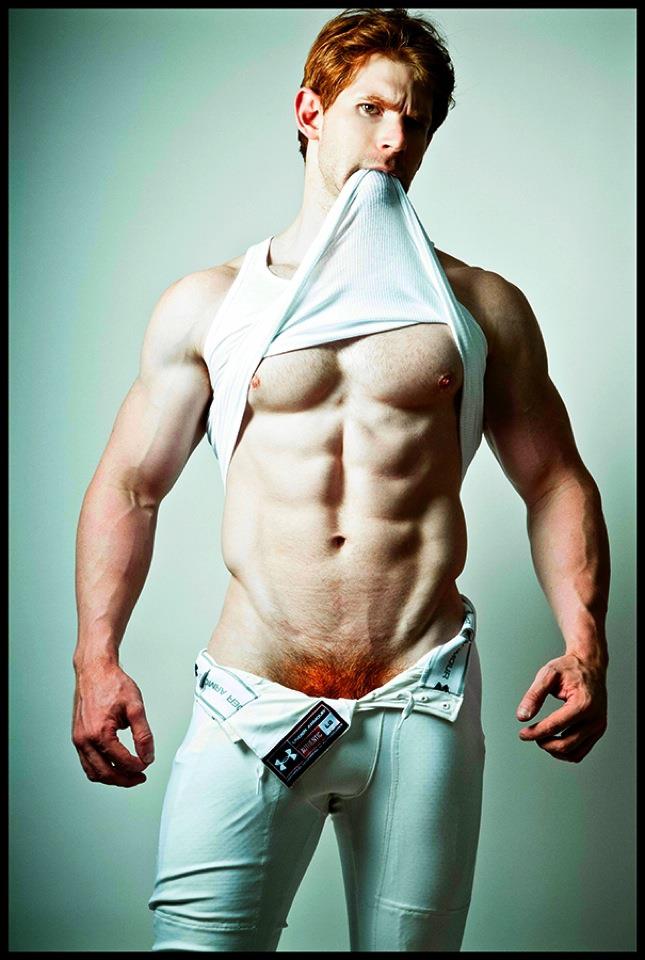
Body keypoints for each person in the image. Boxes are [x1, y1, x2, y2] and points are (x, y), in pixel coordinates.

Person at [72, 7, 610, 952]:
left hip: (421, 692)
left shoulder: (480, 308)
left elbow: (555, 480)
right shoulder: (211, 305)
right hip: (254, 696)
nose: (395, 139)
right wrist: (96, 658)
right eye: (371, 109)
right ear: (309, 112)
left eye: (417, 121)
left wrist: (585, 642)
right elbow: (129, 487)